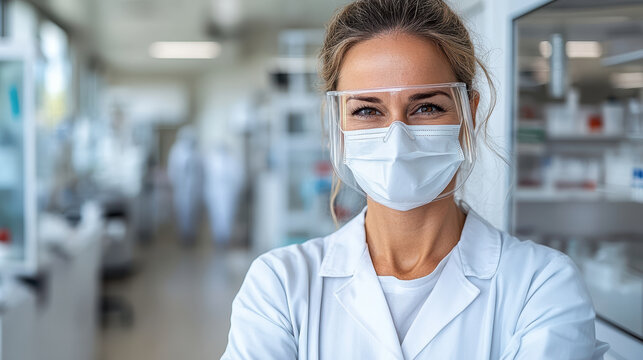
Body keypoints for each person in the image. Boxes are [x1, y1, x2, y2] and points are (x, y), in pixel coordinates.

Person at [223, 0, 609, 359]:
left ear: (468, 116)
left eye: (426, 107)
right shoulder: (280, 286)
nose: (397, 137)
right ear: (336, 124)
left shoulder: (540, 287)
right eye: (367, 111)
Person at [167, 125, 203, 245]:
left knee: (193, 212)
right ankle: (183, 236)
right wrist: (175, 183)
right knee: (181, 212)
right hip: (180, 188)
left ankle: (192, 236)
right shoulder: (176, 151)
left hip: (194, 188)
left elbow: (201, 171)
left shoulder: (196, 152)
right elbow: (172, 169)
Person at [204, 143, 245, 247]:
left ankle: (226, 239)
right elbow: (206, 178)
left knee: (228, 216)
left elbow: (239, 178)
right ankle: (218, 240)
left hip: (228, 194)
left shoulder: (232, 161)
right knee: (216, 217)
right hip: (214, 193)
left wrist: (235, 191)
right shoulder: (211, 160)